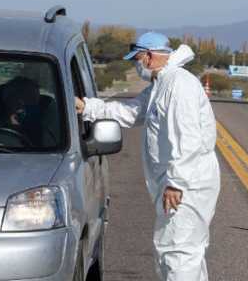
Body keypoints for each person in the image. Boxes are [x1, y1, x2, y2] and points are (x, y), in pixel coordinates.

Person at [74, 32, 220, 281]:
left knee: (178, 254)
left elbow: (187, 139)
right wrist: (88, 107)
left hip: (187, 185)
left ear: (150, 57)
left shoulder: (178, 86)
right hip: (182, 182)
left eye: (137, 59)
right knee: (183, 254)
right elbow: (131, 112)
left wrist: (176, 183)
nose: (137, 65)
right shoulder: (161, 85)